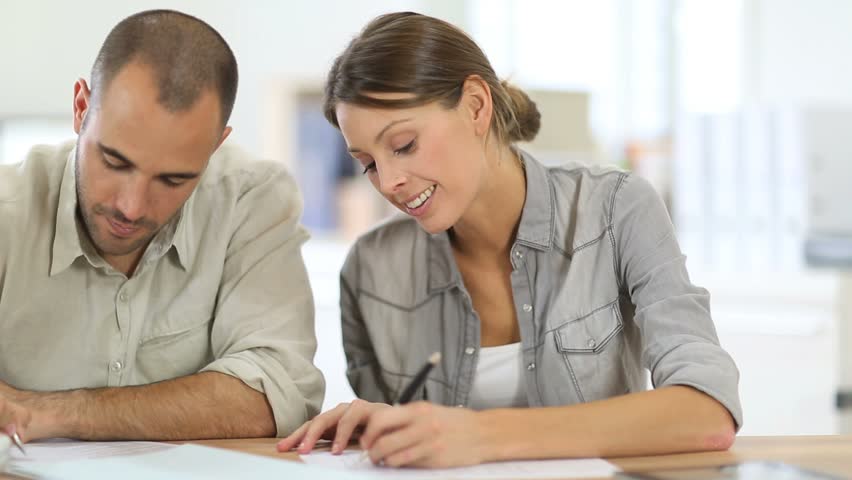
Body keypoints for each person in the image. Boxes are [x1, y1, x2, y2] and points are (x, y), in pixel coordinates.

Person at [278, 11, 741, 468]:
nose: (389, 182)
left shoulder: (615, 208)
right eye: (369, 163)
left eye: (403, 145)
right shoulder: (371, 267)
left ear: (477, 105)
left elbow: (707, 411)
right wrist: (388, 428)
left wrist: (482, 435)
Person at [0, 10, 324, 442]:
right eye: (115, 162)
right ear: (80, 108)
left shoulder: (251, 200)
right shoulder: (8, 211)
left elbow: (279, 390)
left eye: (174, 179)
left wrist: (52, 412)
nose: (131, 208)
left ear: (216, 145)